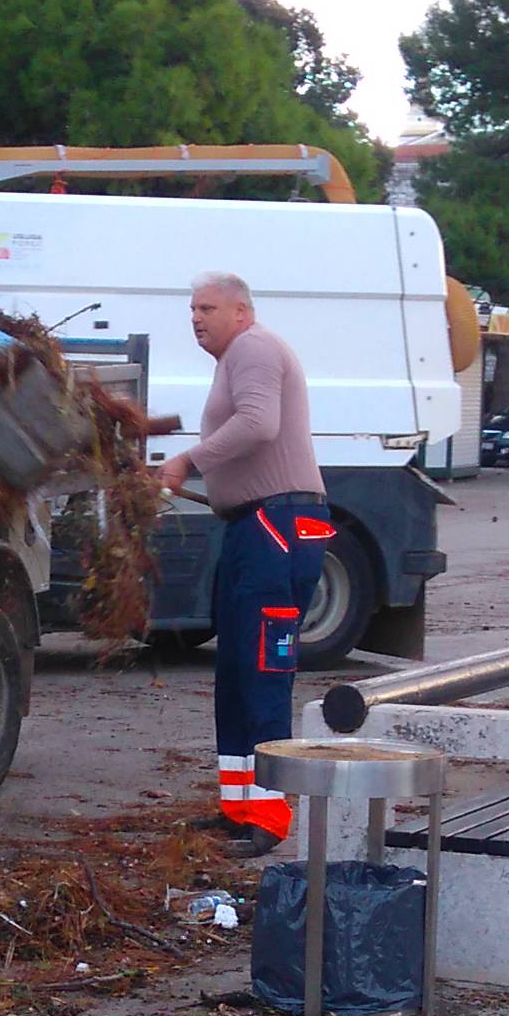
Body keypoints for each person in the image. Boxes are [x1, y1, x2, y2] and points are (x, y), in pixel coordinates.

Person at [156, 272, 331, 841]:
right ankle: (240, 808)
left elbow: (259, 424)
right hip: (253, 525)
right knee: (235, 670)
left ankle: (272, 817)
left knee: (262, 670)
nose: (196, 318)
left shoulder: (254, 348)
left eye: (207, 307)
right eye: (191, 309)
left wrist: (188, 461)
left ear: (242, 310)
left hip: (278, 527)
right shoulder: (235, 357)